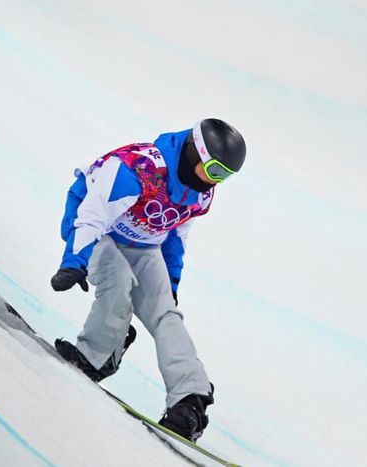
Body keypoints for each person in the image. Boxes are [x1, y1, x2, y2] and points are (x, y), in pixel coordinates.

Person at [50, 118, 246, 442]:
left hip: (144, 243)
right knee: (117, 282)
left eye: (224, 176)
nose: (215, 182)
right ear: (194, 153)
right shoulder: (140, 168)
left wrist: (170, 281)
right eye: (214, 171)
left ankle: (190, 399)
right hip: (98, 231)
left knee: (164, 312)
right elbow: (93, 212)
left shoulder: (200, 196)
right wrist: (74, 261)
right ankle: (96, 355)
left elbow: (175, 236)